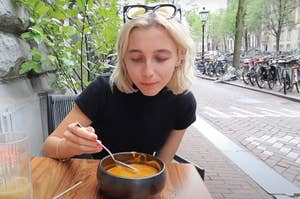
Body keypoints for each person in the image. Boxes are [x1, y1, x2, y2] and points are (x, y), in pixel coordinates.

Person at [42, 3, 196, 163]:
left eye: (161, 58)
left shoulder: (183, 102)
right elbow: (48, 147)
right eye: (136, 58)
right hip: (99, 176)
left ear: (180, 56)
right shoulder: (103, 90)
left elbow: (162, 163)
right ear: (123, 58)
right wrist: (68, 146)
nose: (148, 72)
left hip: (144, 179)